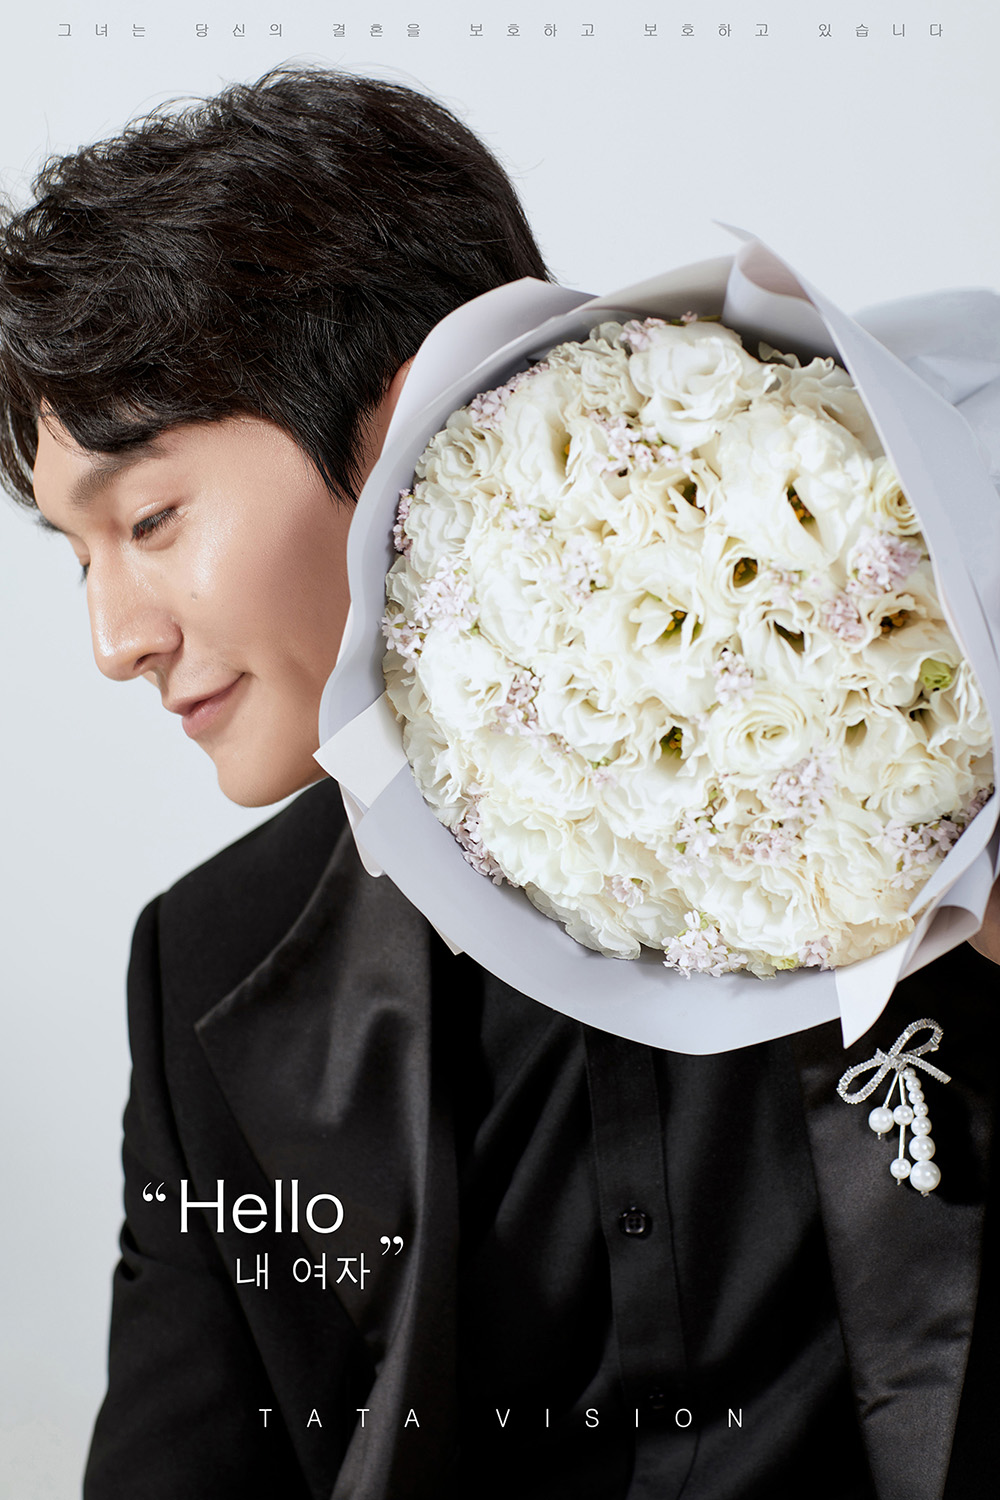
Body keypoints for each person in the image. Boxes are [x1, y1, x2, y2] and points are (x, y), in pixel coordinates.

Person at [2, 66, 997, 1500]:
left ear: (407, 412)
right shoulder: (204, 965)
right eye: (77, 554)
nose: (113, 640)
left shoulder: (906, 727)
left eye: (150, 518)